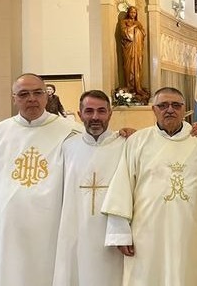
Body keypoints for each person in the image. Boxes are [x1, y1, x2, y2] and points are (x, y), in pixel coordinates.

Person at [101, 87, 197, 286]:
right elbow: (123, 185)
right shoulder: (137, 141)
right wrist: (120, 232)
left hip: (190, 232)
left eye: (175, 105)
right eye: (163, 105)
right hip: (146, 233)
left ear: (184, 109)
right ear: (153, 110)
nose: (169, 110)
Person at [0, 73, 82, 286]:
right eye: (23, 94)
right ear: (14, 98)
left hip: (52, 224)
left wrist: (126, 136)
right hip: (8, 226)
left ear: (47, 97)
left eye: (37, 93)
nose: (31, 98)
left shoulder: (73, 132)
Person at [53, 90, 124, 286]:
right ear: (79, 114)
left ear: (110, 114)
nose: (95, 117)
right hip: (76, 229)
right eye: (89, 111)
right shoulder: (67, 147)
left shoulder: (125, 144)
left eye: (101, 111)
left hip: (112, 233)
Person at [121, 5, 146, 95]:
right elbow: (124, 33)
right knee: (128, 66)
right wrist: (133, 27)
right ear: (128, 13)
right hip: (128, 47)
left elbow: (143, 33)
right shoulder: (124, 22)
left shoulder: (138, 23)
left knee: (138, 66)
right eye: (131, 12)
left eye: (134, 12)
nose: (133, 14)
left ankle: (137, 86)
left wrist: (138, 30)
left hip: (138, 48)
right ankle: (129, 85)